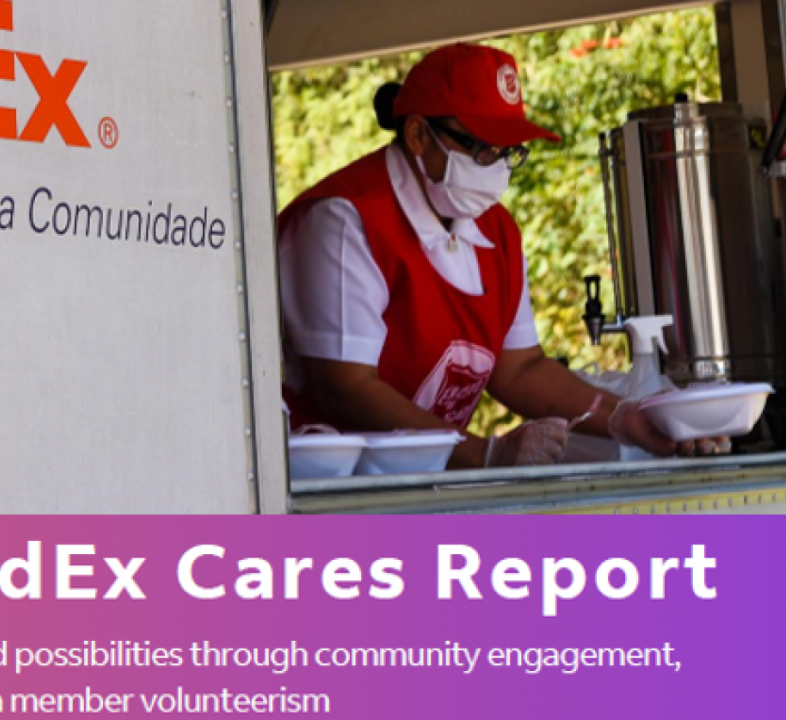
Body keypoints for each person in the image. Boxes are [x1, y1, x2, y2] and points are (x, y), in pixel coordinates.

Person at [278, 43, 727, 468]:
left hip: (419, 487)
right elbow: (345, 387)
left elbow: (520, 369)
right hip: (328, 496)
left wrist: (624, 418)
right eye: (483, 148)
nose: (495, 167)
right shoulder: (345, 220)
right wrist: (483, 455)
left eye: (508, 152)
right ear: (417, 134)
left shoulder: (496, 231)